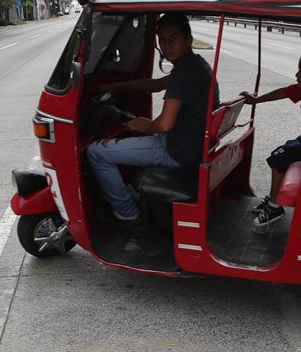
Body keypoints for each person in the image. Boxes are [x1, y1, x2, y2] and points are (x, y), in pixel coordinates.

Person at [86, 13, 219, 248]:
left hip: (177, 150)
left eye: (174, 38)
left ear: (188, 40)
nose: (166, 45)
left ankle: (129, 216)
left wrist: (144, 124)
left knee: (97, 152)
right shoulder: (195, 65)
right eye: (162, 39)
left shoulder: (184, 73)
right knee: (138, 138)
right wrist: (117, 86)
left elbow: (164, 125)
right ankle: (134, 198)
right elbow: (156, 85)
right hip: (194, 145)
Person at [240, 45, 301, 226]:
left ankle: (275, 206)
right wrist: (256, 100)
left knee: (278, 160)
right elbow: (283, 92)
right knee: (279, 153)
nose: (296, 75)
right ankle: (272, 197)